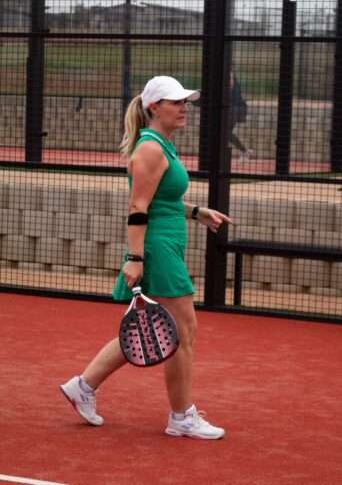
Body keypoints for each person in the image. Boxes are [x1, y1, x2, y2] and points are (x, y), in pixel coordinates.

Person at [60, 76, 232, 440]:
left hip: (165, 244)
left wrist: (196, 211)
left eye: (186, 102)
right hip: (156, 248)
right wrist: (135, 258)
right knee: (182, 331)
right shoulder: (151, 149)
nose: (184, 108)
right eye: (176, 102)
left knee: (152, 330)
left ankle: (82, 387)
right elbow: (137, 207)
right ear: (154, 107)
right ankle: (181, 417)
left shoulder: (162, 146)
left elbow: (161, 200)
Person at [229, 70, 254, 162]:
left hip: (235, 111)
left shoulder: (235, 88)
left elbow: (234, 101)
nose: (230, 80)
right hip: (231, 111)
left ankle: (244, 151)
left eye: (231, 78)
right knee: (226, 134)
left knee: (226, 133)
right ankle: (245, 151)